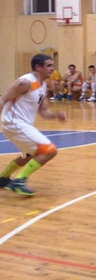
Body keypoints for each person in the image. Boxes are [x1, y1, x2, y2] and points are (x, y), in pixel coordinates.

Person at [0, 54, 67, 195]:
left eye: (52, 65)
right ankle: (19, 181)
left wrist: (56, 115)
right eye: (49, 65)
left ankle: (2, 178)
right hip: (14, 123)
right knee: (50, 150)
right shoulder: (25, 82)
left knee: (29, 155)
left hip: (22, 125)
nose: (52, 68)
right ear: (38, 67)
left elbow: (43, 111)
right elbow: (3, 99)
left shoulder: (43, 85)